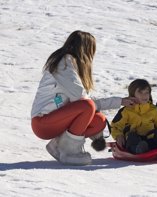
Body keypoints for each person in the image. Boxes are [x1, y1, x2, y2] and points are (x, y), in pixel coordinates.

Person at [31, 30, 137, 166]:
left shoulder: (71, 65)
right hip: (43, 122)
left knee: (99, 121)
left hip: (57, 118)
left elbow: (84, 100)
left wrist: (120, 101)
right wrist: (114, 102)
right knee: (87, 107)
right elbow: (81, 100)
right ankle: (70, 152)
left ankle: (58, 146)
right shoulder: (64, 64)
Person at [111, 79, 157, 154]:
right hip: (134, 140)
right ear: (132, 94)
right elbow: (116, 126)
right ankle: (137, 149)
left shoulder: (153, 110)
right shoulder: (126, 111)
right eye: (140, 92)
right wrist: (118, 136)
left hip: (150, 138)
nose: (144, 95)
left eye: (147, 92)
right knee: (132, 136)